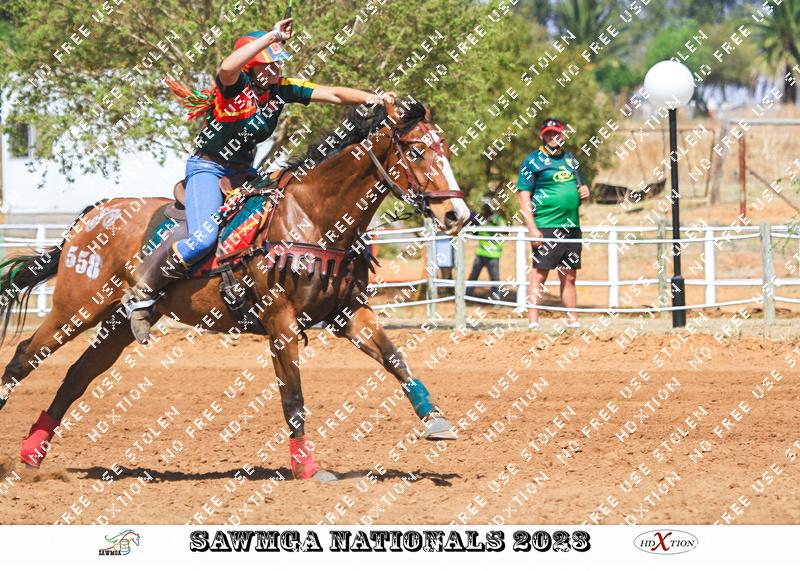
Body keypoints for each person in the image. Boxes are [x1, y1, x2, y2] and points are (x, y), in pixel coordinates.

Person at [122, 18, 396, 344]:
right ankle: (143, 293)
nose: (278, 68)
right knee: (203, 238)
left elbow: (335, 94)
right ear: (253, 67)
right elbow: (227, 66)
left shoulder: (282, 90)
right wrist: (272, 36)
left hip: (244, 173)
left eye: (279, 63)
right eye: (271, 64)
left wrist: (375, 98)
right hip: (208, 169)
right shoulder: (234, 87)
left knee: (278, 212)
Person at [515, 118, 590, 330]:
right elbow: (523, 195)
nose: (552, 137)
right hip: (545, 226)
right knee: (540, 274)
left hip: (572, 227)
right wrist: (532, 228)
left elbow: (579, 189)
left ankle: (572, 320)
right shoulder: (532, 160)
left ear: (563, 135)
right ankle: (533, 322)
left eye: (556, 133)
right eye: (548, 133)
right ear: (542, 136)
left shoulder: (571, 160)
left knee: (569, 275)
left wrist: (584, 192)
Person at [466, 197, 505, 298]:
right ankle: (466, 296)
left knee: (495, 278)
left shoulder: (498, 219)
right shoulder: (481, 220)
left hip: (493, 254)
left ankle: (496, 298)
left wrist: (492, 223)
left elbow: (505, 231)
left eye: (487, 207)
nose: (485, 209)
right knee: (473, 276)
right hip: (481, 253)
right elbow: (475, 233)